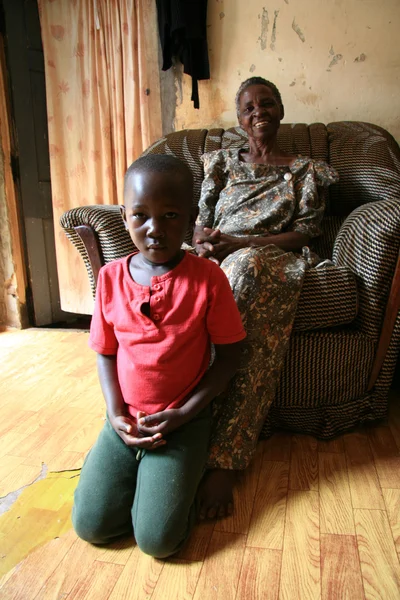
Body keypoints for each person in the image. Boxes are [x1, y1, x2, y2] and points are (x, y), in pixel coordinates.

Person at [72, 154, 246, 558]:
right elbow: (105, 353)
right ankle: (131, 478)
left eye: (170, 215)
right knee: (90, 526)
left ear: (190, 218)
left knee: (157, 541)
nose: (154, 230)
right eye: (140, 216)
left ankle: (166, 484)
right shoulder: (111, 278)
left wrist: (184, 414)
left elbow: (231, 356)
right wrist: (116, 414)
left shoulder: (208, 280)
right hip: (125, 421)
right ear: (123, 216)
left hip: (181, 424)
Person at [194, 77, 339, 518]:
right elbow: (200, 222)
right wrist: (205, 245)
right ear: (239, 120)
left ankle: (224, 457)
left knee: (247, 271)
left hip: (270, 257)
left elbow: (306, 231)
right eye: (248, 107)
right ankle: (172, 431)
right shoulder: (220, 163)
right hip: (220, 254)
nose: (258, 111)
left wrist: (241, 245)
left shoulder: (305, 170)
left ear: (280, 109)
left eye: (267, 103)